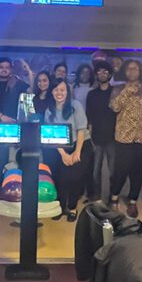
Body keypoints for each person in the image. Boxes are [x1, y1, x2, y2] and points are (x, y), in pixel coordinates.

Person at [109, 59, 142, 218]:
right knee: (120, 170)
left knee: (137, 171)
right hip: (123, 137)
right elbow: (115, 107)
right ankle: (114, 198)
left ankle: (132, 202)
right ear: (124, 71)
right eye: (129, 69)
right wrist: (127, 91)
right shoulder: (117, 89)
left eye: (135, 69)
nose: (132, 72)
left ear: (140, 71)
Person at [0, 57, 30, 199]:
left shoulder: (17, 83)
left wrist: (29, 72)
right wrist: (1, 116)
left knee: (2, 159)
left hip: (10, 127)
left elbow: (32, 90)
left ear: (11, 69)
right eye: (1, 67)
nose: (4, 69)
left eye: (7, 67)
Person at [44, 79, 91, 221]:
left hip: (81, 144)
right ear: (51, 92)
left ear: (68, 91)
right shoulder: (49, 110)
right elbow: (52, 135)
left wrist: (76, 152)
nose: (59, 93)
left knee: (75, 178)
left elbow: (81, 130)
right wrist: (64, 154)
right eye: (56, 90)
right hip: (60, 147)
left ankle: (72, 208)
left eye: (62, 90)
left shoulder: (75, 106)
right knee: (61, 178)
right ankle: (60, 207)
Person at [85, 61, 117, 203]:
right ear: (96, 74)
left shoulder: (115, 93)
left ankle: (112, 196)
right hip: (96, 137)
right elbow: (89, 118)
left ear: (110, 74)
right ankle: (96, 196)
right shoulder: (91, 94)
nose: (102, 74)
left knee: (113, 171)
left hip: (113, 139)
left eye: (105, 72)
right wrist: (90, 137)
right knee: (95, 171)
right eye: (99, 71)